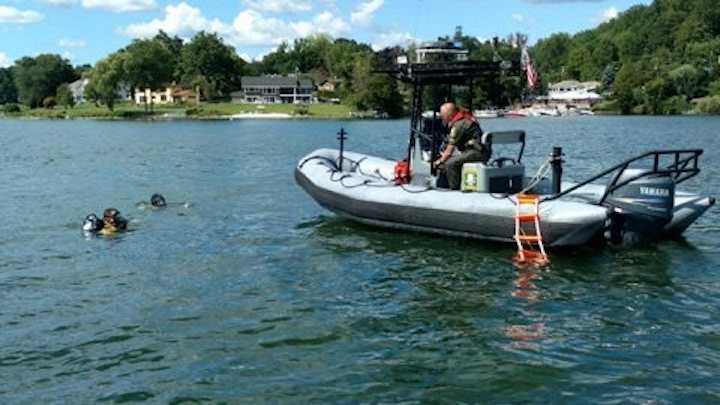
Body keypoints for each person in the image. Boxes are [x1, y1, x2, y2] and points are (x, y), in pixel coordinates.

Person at [433, 102, 491, 190]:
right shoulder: (464, 119)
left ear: (449, 114)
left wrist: (438, 162)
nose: (441, 117)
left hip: (476, 152)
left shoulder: (459, 125)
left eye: (442, 115)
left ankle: (455, 189)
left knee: (450, 163)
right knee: (452, 161)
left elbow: (449, 151)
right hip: (478, 151)